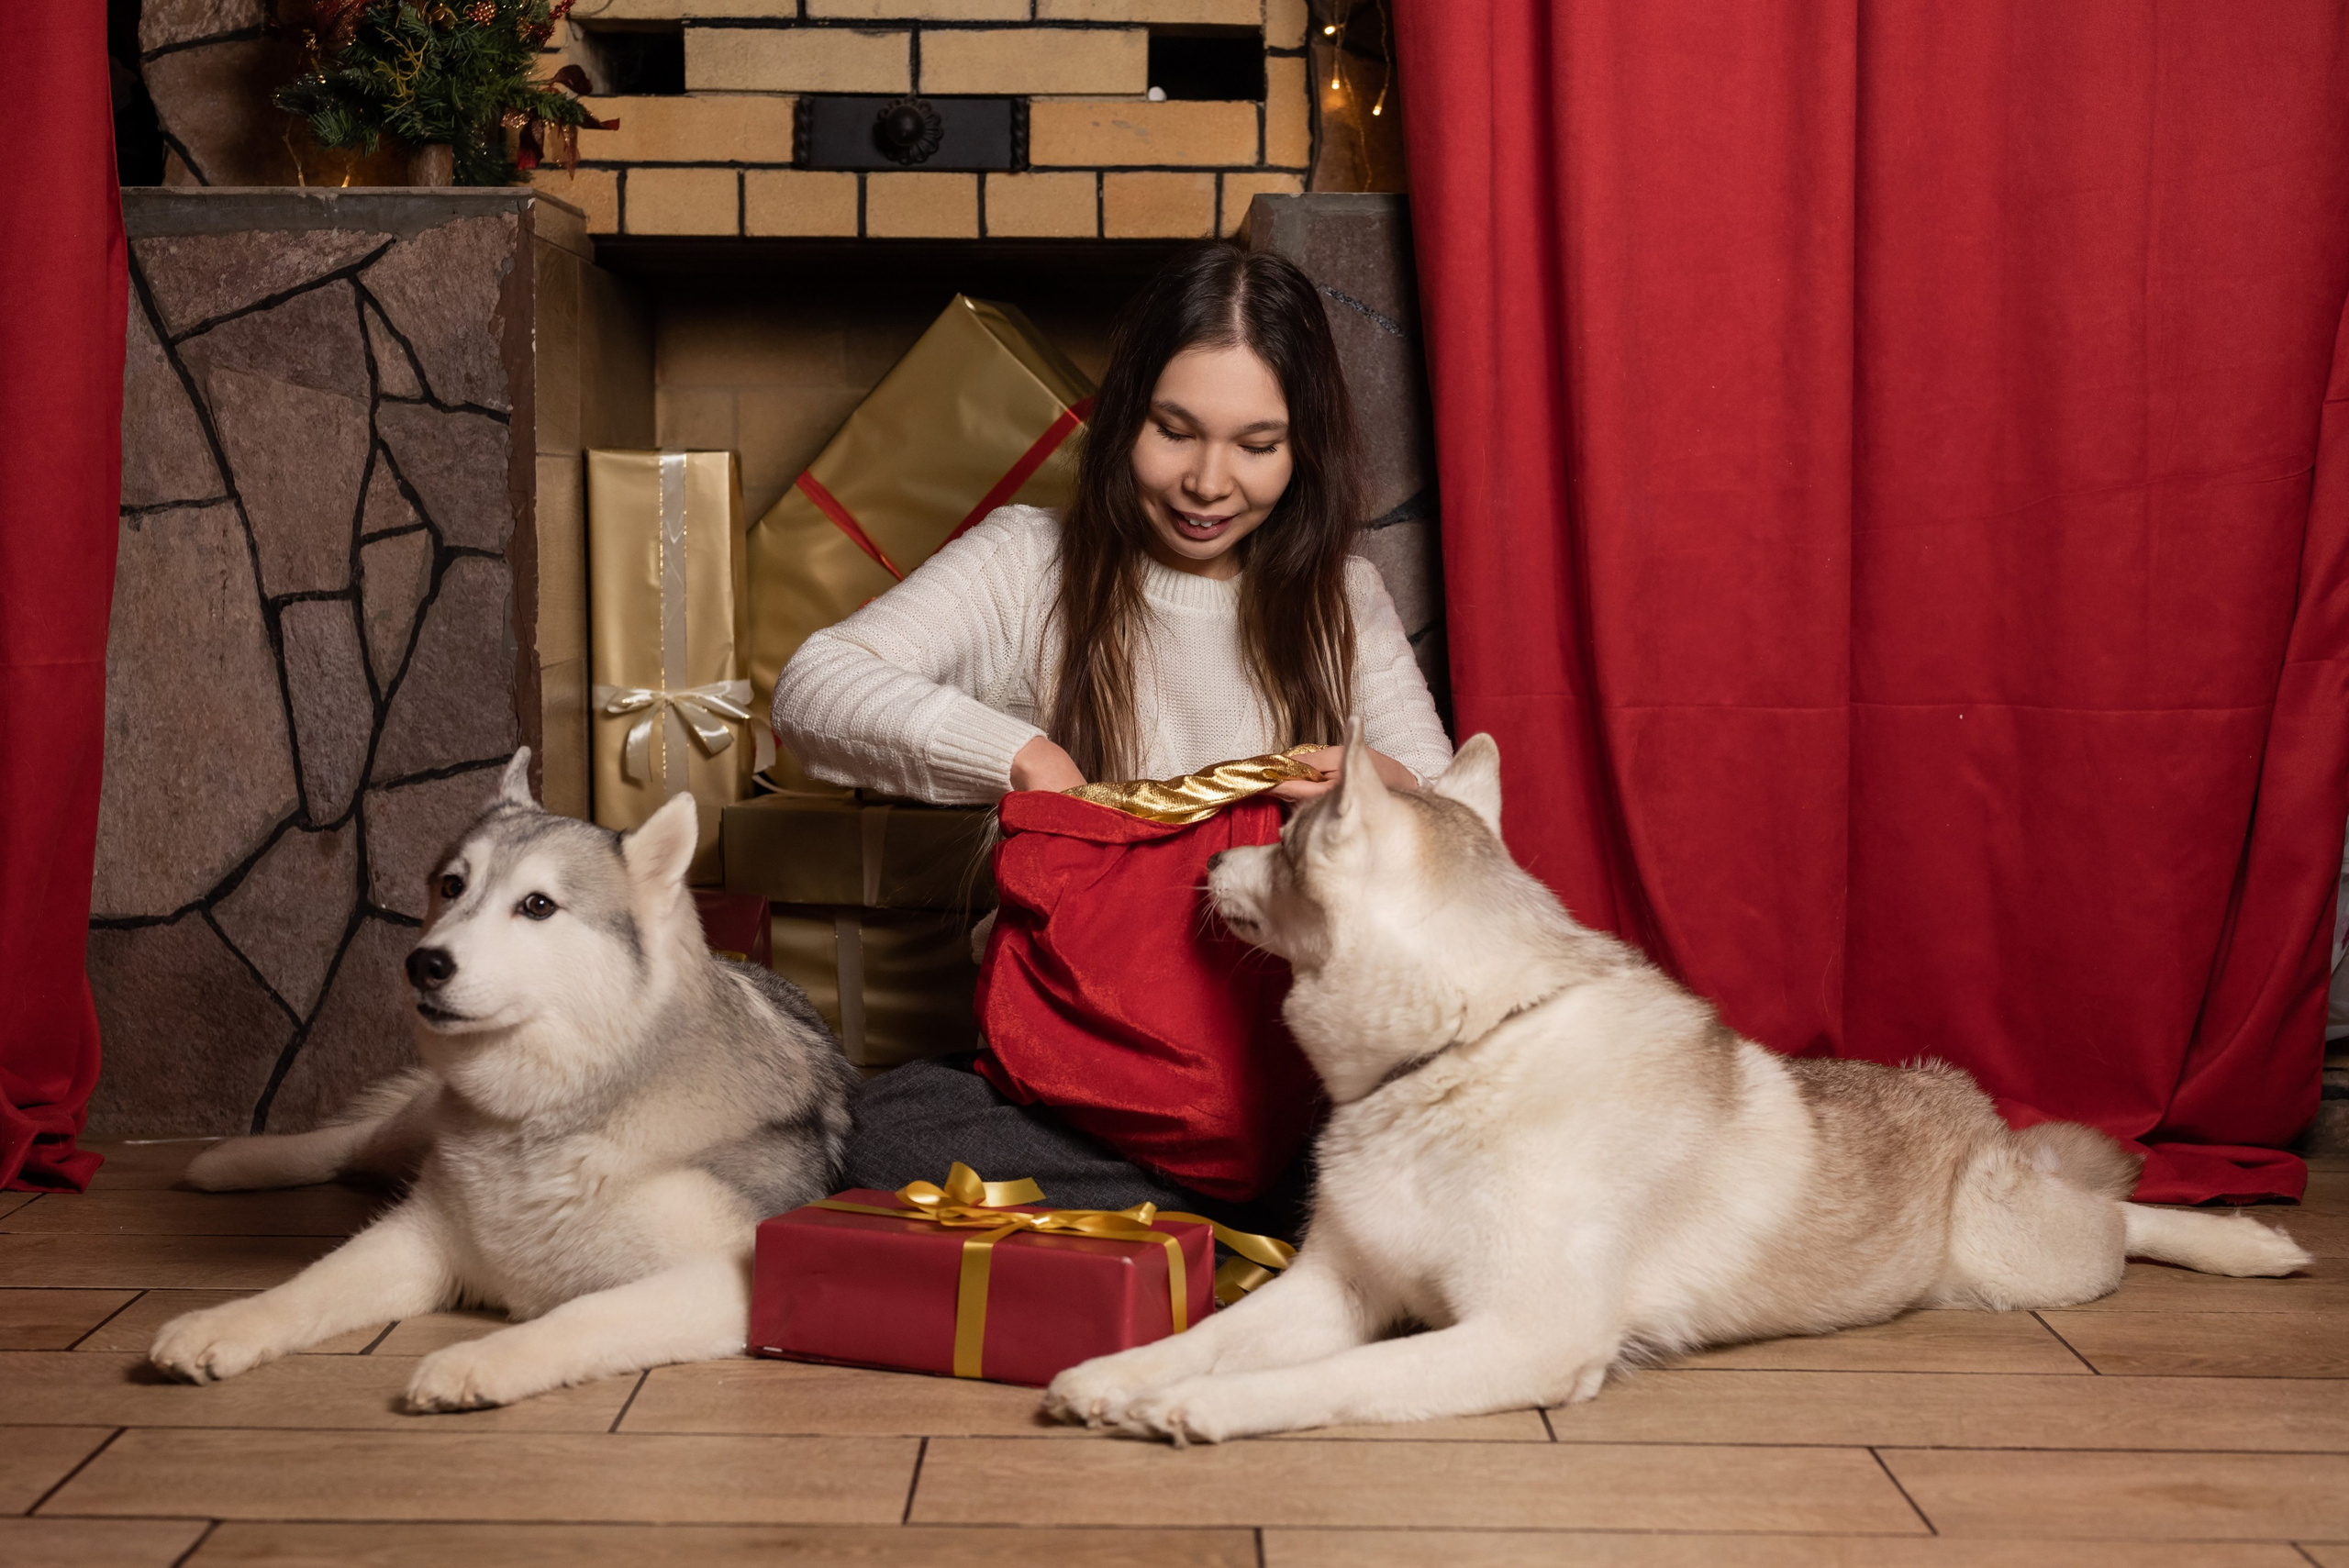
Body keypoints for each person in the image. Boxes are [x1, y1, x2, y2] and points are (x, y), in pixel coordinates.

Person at [771, 241, 1452, 1234]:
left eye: (1257, 445)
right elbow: (813, 686)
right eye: (1175, 432)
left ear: (1303, 449)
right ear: (1126, 413)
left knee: (1472, 1117)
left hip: (1284, 1062)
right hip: (1082, 1071)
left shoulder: (1342, 598)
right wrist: (1027, 759)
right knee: (874, 1135)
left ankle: (1199, 1205)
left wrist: (1395, 787)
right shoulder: (1029, 560)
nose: (1208, 482)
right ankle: (1261, 1214)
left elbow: (1467, 835)